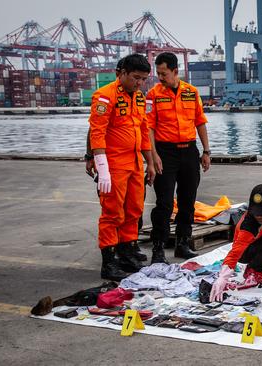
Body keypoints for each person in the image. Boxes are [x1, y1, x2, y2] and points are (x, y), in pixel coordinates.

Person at [88, 54, 155, 281]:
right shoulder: (105, 97)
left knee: (134, 211)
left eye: (143, 79)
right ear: (122, 73)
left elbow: (144, 132)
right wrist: (102, 168)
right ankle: (109, 262)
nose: (139, 83)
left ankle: (127, 254)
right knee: (112, 214)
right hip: (114, 164)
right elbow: (97, 133)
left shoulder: (138, 97)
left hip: (135, 163)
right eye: (135, 78)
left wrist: (151, 163)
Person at [146, 52, 212, 264]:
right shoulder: (153, 95)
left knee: (187, 201)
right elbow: (149, 127)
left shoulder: (191, 92)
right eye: (158, 73)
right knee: (164, 202)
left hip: (189, 152)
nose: (160, 78)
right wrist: (153, 156)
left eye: (163, 73)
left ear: (176, 71)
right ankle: (158, 248)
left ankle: (183, 244)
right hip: (165, 153)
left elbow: (200, 122)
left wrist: (206, 151)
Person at [210, 184, 262, 302]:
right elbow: (235, 252)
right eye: (255, 211)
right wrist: (223, 277)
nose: (258, 216)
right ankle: (254, 269)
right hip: (246, 252)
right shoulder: (249, 225)